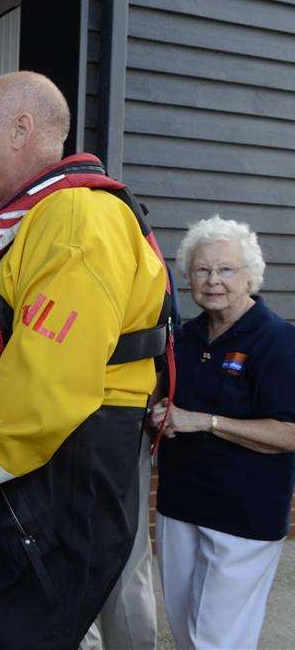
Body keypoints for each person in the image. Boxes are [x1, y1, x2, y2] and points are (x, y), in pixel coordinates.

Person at [0, 72, 168, 647]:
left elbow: (44, 395)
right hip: (38, 477)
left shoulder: (76, 219)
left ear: (22, 130)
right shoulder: (30, 217)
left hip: (63, 476)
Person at [152, 216, 295, 649]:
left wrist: (206, 421)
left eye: (226, 270)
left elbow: (289, 433)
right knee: (185, 631)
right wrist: (157, 414)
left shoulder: (278, 340)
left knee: (217, 640)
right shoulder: (185, 337)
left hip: (242, 518)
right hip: (180, 506)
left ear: (250, 275)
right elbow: (165, 400)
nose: (214, 281)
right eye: (202, 270)